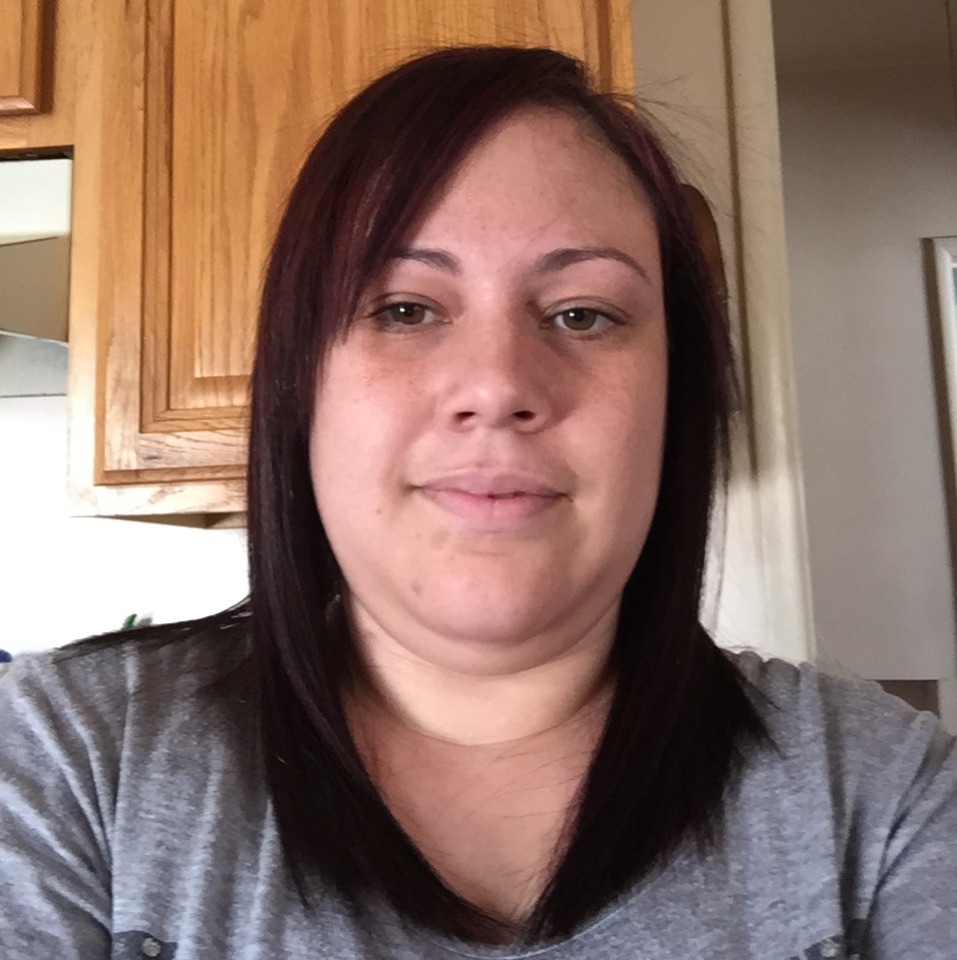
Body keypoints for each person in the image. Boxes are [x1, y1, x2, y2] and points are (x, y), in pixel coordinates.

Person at [0, 46, 954, 960]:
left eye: (581, 314)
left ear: (676, 397)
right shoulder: (62, 759)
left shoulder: (880, 796)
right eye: (404, 309)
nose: (497, 385)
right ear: (301, 387)